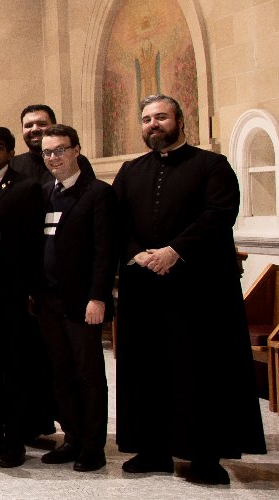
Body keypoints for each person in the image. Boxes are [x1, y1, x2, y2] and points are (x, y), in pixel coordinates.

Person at [112, 95, 267, 485]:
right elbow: (115, 222)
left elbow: (219, 213)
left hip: (198, 291)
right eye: (146, 119)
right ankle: (153, 450)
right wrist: (138, 254)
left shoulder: (211, 165)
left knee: (200, 370)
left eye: (161, 117)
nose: (153, 124)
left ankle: (204, 455)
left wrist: (175, 251)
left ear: (181, 121)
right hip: (144, 286)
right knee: (147, 368)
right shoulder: (130, 171)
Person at [0, 124, 52, 469]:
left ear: (10, 152)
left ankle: (15, 441)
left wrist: (32, 288)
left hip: (12, 291)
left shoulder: (27, 187)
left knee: (12, 368)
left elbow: (33, 243)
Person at [33, 124, 113, 473]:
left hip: (82, 302)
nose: (53, 157)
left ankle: (93, 446)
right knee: (60, 373)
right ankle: (73, 437)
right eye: (48, 152)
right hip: (49, 301)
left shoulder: (97, 194)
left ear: (76, 150)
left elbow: (104, 252)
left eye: (60, 150)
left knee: (89, 374)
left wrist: (98, 297)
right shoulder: (45, 194)